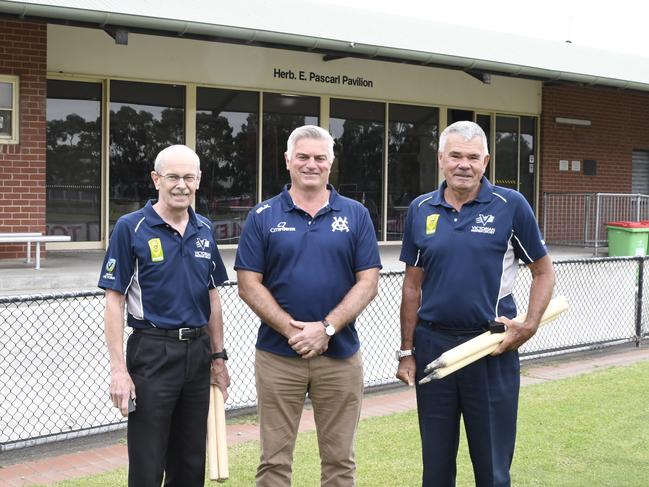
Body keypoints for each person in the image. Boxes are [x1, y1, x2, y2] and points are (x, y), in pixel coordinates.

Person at [396, 121, 555, 487]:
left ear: (485, 161)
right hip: (434, 345)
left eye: (472, 157)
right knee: (435, 468)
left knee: (492, 468)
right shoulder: (421, 208)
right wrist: (406, 350)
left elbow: (544, 272)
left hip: (490, 346)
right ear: (441, 159)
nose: (463, 164)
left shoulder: (510, 205)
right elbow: (411, 287)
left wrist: (529, 324)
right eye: (455, 155)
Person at [235, 125, 382, 486]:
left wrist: (327, 328)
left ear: (331, 163)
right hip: (278, 356)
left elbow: (369, 282)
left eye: (320, 157)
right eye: (303, 157)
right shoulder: (262, 216)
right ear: (288, 161)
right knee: (273, 462)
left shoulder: (356, 214)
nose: (311, 164)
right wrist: (292, 330)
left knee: (339, 463)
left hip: (340, 356)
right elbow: (248, 284)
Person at [98, 144, 230, 487]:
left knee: (189, 461)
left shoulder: (205, 229)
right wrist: (118, 371)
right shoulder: (131, 227)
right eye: (172, 176)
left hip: (198, 353)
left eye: (189, 177)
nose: (181, 185)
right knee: (147, 461)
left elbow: (212, 295)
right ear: (156, 179)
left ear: (199, 180)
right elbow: (115, 300)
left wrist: (218, 358)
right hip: (153, 352)